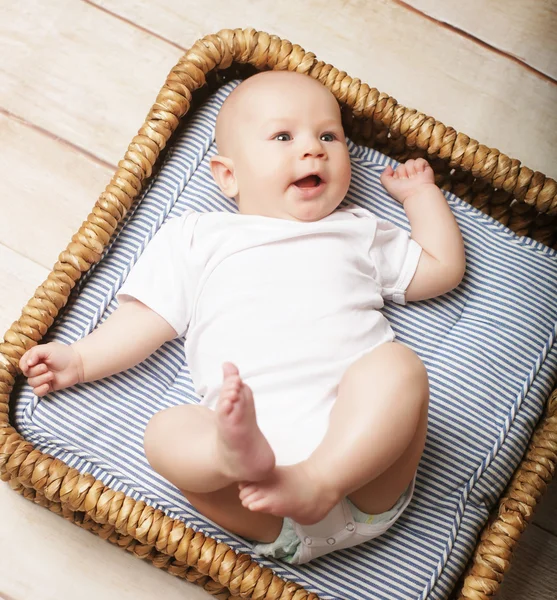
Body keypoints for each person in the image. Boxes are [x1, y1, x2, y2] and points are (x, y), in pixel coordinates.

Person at [19, 70, 466, 564]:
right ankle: (227, 454)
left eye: (328, 136)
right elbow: (146, 320)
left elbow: (440, 269)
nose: (313, 149)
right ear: (227, 175)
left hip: (365, 477)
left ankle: (319, 477)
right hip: (256, 501)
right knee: (166, 432)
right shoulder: (197, 238)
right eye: (283, 136)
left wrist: (421, 197)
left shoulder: (357, 231)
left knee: (397, 368)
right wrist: (79, 360)